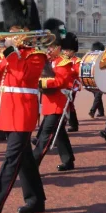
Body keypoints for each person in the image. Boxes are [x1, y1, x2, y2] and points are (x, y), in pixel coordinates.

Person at [0, 0, 47, 213]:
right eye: (12, 29)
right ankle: (36, 200)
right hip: (9, 110)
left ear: (27, 30)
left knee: (11, 160)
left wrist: (8, 51)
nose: (12, 33)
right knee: (24, 159)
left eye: (17, 30)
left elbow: (24, 75)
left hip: (24, 111)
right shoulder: (10, 54)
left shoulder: (37, 54)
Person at [33, 18, 77, 172]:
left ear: (58, 47)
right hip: (48, 102)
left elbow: (59, 81)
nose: (49, 50)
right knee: (60, 133)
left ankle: (33, 165)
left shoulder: (63, 62)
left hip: (58, 103)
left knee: (45, 136)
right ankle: (68, 160)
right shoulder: (47, 61)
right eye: (47, 47)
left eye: (51, 47)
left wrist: (42, 83)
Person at [62, 32, 81, 132]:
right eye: (64, 50)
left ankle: (63, 124)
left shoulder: (76, 61)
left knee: (67, 104)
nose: (65, 52)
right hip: (64, 86)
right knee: (69, 105)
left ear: (72, 51)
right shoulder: (63, 60)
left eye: (67, 50)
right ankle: (74, 124)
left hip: (73, 86)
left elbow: (78, 74)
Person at [88, 41, 106, 118]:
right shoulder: (93, 58)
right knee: (97, 95)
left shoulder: (103, 57)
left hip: (102, 79)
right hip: (95, 79)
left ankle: (92, 110)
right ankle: (101, 112)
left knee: (98, 95)